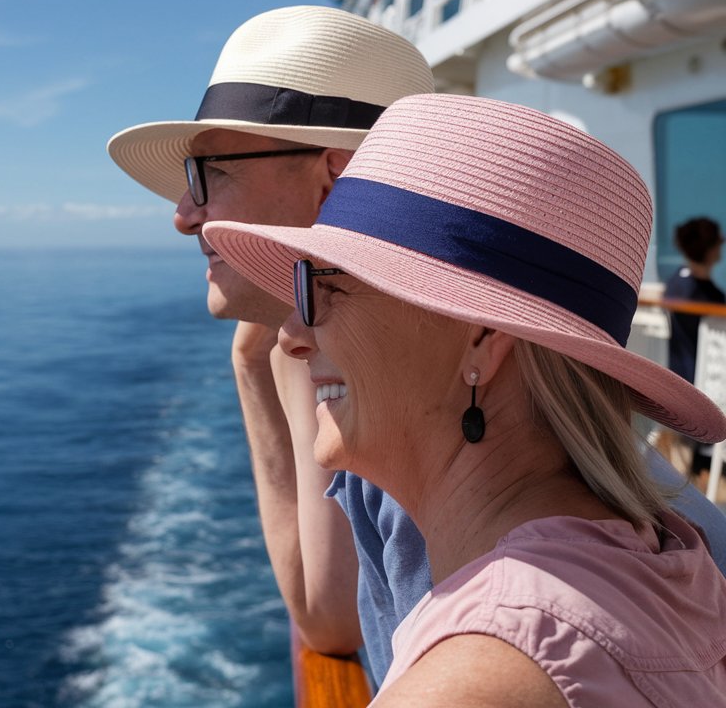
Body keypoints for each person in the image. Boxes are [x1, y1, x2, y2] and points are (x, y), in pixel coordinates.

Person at [203, 93, 726, 704]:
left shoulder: (486, 667)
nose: (291, 336)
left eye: (321, 286)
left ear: (481, 340)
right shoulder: (665, 556)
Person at [109, 5, 436, 660]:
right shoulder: (366, 344)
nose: (182, 216)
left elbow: (330, 622)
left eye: (209, 175)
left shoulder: (419, 394)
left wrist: (256, 369)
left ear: (333, 177)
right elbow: (339, 618)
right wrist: (251, 363)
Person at [664, 216, 725, 479]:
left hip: (677, 377)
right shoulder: (710, 297)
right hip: (706, 386)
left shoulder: (676, 283)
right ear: (711, 250)